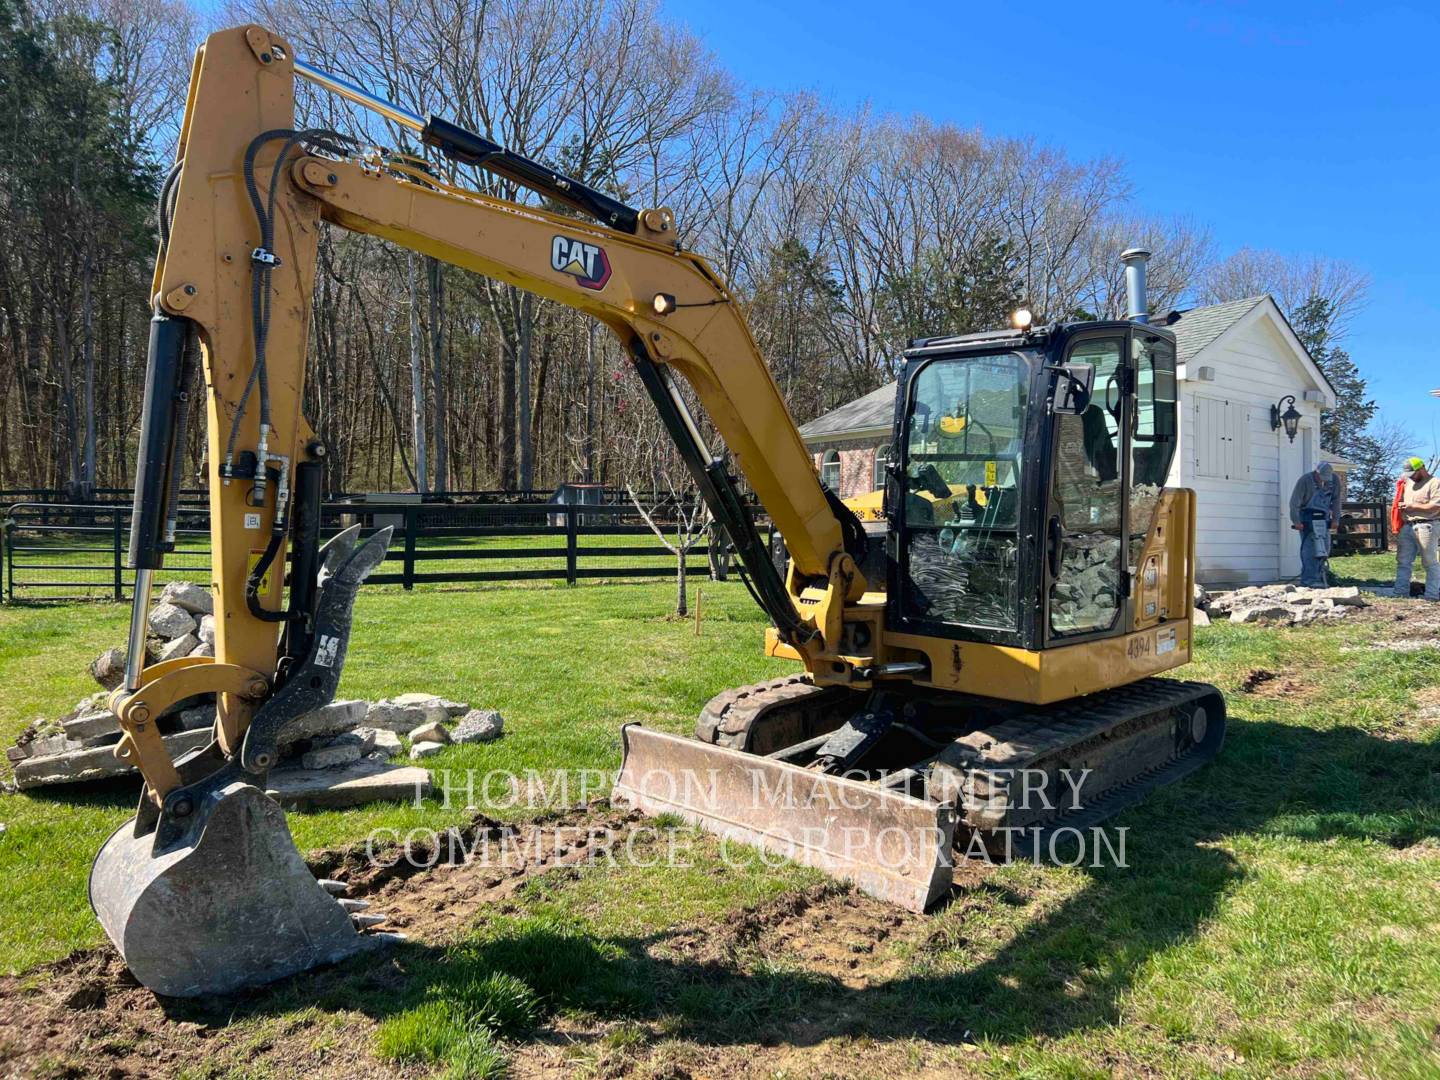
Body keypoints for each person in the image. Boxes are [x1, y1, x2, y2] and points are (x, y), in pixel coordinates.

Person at [1394, 456, 1440, 601]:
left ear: (1421, 469)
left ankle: (1431, 596)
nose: (1411, 477)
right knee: (1403, 561)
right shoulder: (1408, 483)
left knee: (1430, 562)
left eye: (1413, 473)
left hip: (1427, 525)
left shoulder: (1434, 483)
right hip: (1407, 526)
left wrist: (1414, 507)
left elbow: (1436, 506)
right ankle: (1400, 593)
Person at [1289, 462, 1340, 587]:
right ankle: (1309, 581)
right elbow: (1294, 502)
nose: (1324, 481)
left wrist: (1335, 519)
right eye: (1321, 477)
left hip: (1324, 517)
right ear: (1316, 472)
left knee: (1324, 548)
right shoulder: (1305, 480)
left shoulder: (1334, 480)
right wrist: (1296, 521)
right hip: (1306, 516)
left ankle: (1321, 578)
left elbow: (1336, 500)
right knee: (1310, 550)